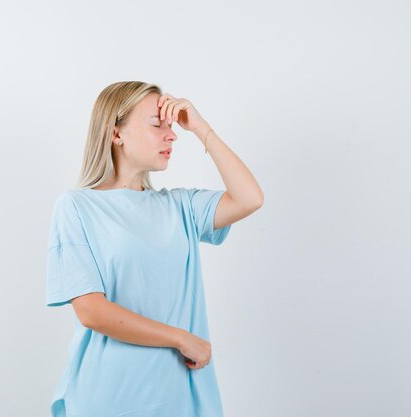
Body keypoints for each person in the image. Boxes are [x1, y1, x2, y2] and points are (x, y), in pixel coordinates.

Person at [45, 81, 263, 417]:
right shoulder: (77, 206)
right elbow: (91, 310)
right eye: (156, 124)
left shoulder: (181, 207)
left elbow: (250, 198)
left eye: (172, 125)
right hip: (110, 395)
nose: (172, 135)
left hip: (180, 395)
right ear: (116, 133)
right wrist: (180, 338)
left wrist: (201, 128)